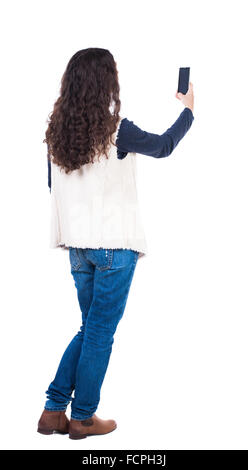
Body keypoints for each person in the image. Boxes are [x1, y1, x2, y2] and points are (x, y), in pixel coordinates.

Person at [37, 48, 195, 440]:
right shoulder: (116, 129)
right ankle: (83, 417)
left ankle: (53, 410)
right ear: (106, 83)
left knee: (90, 329)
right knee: (98, 334)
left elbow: (53, 187)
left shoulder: (55, 134)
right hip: (113, 249)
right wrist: (188, 112)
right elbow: (163, 146)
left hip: (77, 250)